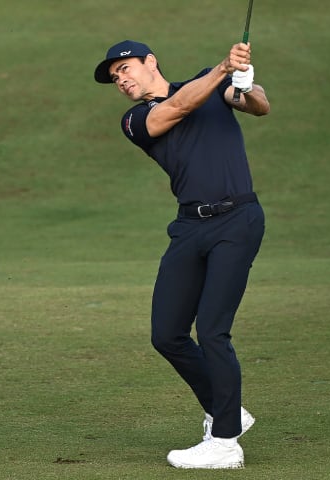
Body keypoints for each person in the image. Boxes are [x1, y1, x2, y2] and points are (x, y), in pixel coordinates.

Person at [93, 39, 270, 469]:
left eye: (126, 68)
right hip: (190, 227)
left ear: (150, 61)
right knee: (167, 333)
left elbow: (259, 106)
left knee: (212, 331)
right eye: (115, 77)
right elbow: (176, 110)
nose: (121, 79)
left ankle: (225, 442)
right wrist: (220, 70)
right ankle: (229, 411)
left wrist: (243, 83)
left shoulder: (207, 86)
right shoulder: (136, 118)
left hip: (237, 220)